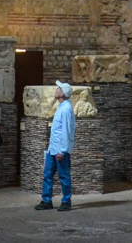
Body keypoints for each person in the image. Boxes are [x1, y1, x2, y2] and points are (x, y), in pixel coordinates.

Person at [34, 81, 76, 212]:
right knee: (47, 175)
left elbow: (66, 131)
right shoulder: (61, 107)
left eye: (58, 88)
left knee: (64, 176)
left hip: (60, 150)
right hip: (53, 149)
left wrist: (62, 151)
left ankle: (66, 201)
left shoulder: (66, 109)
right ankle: (46, 200)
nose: (56, 89)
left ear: (62, 93)